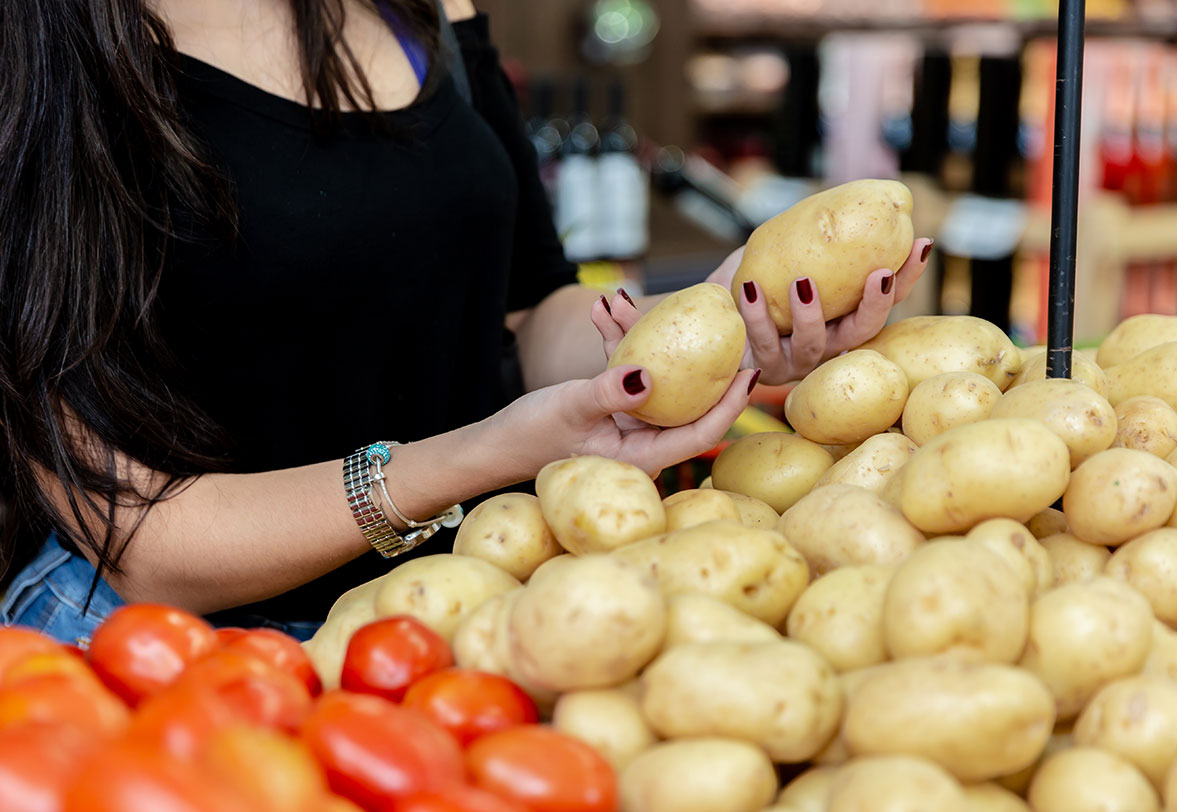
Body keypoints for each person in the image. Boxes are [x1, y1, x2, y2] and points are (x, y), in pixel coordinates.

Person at [0, 0, 932, 645]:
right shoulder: (39, 47)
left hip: (465, 618)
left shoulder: (425, 9)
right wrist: (484, 452)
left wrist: (707, 325)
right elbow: (142, 542)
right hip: (174, 662)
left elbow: (534, 305)